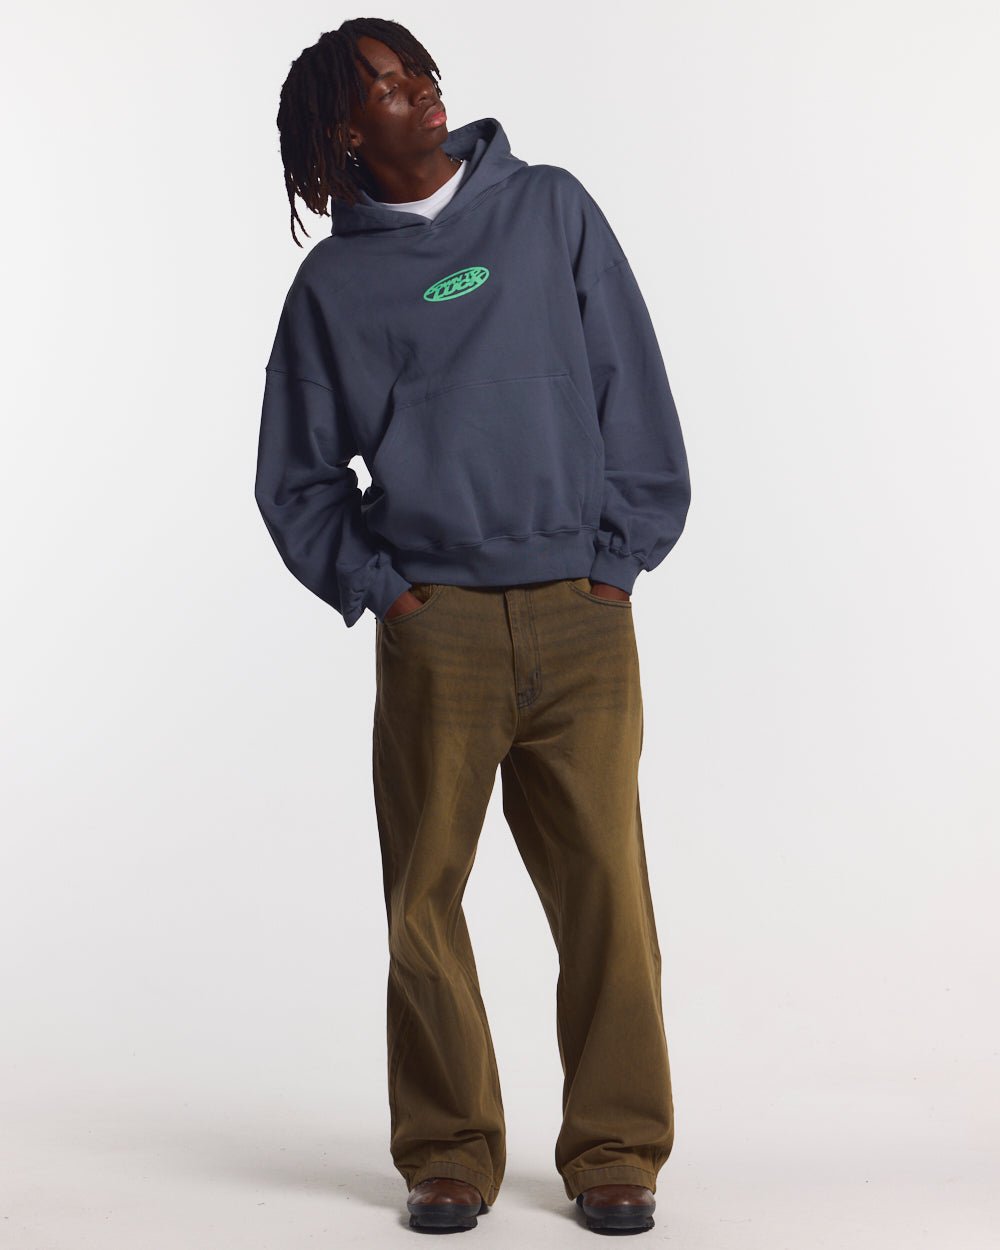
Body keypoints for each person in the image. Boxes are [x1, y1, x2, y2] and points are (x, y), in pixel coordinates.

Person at [255, 17, 692, 1236]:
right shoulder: (331, 289)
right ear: (344, 133)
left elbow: (631, 387)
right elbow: (296, 477)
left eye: (417, 70)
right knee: (424, 902)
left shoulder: (549, 210)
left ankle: (616, 1148)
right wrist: (387, 589)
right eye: (386, 85)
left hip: (580, 616)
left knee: (607, 893)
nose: (420, 89)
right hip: (436, 629)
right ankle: (447, 1150)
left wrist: (617, 560)